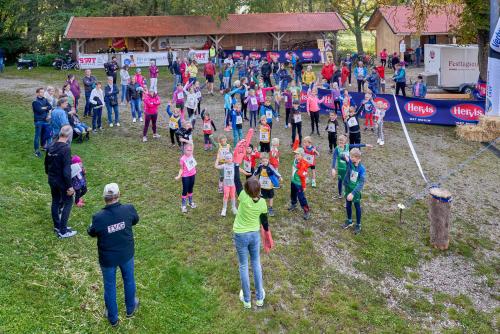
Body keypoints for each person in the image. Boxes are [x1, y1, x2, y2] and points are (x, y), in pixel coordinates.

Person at [87, 183, 140, 326]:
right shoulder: (128, 209)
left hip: (108, 259)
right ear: (119, 195)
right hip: (126, 254)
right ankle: (130, 308)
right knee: (129, 279)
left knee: (110, 286)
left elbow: (91, 232)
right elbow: (135, 220)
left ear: (105, 198)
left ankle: (113, 318)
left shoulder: (98, 218)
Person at [232, 169, 268, 309]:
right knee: (256, 263)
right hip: (254, 235)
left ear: (246, 191)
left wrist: (235, 163)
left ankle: (246, 300)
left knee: (243, 265)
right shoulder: (263, 203)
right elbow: (264, 223)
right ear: (259, 190)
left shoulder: (243, 196)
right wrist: (267, 235)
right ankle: (259, 298)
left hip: (240, 235)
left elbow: (236, 180)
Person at [44, 125, 76, 238]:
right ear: (69, 135)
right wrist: (70, 187)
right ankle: (63, 231)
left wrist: (49, 174)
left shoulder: (51, 145)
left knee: (55, 201)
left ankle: (57, 226)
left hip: (52, 179)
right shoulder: (66, 148)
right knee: (68, 202)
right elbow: (66, 171)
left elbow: (46, 164)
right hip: (61, 181)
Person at [331, 135, 371, 199]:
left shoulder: (347, 146)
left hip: (348, 168)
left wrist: (365, 145)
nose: (340, 143)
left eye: (342, 142)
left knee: (347, 182)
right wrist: (333, 168)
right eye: (339, 141)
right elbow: (334, 158)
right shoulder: (336, 149)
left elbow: (356, 145)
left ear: (345, 142)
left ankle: (347, 195)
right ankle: (340, 194)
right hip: (340, 169)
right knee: (340, 181)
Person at [341, 148, 366, 235]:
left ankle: (358, 224)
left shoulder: (362, 169)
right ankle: (349, 220)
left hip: (355, 192)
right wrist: (345, 156)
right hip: (348, 188)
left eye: (354, 157)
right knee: (348, 204)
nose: (351, 158)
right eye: (351, 156)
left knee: (357, 207)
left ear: (359, 159)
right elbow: (341, 157)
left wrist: (353, 193)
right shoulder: (350, 162)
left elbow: (361, 184)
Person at [253, 153, 281, 217]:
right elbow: (255, 172)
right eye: (263, 161)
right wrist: (253, 177)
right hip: (262, 185)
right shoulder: (260, 166)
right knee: (262, 197)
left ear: (268, 160)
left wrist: (279, 177)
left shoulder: (270, 167)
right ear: (261, 161)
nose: (264, 162)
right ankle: (262, 207)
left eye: (266, 161)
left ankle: (270, 208)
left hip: (269, 186)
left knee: (271, 197)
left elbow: (275, 172)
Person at [288, 146, 310, 220]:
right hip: (293, 181)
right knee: (293, 194)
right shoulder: (295, 160)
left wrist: (304, 186)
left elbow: (303, 177)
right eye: (295, 154)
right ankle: (293, 204)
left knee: (301, 197)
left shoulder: (303, 164)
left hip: (299, 184)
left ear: (302, 155)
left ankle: (306, 211)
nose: (296, 155)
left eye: (297, 154)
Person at [174, 144, 197, 213]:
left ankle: (190, 202)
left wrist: (186, 140)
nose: (189, 152)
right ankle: (183, 205)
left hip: (192, 175)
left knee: (191, 189)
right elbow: (181, 169)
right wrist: (178, 175)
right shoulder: (182, 159)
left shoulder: (191, 155)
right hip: (185, 176)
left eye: (190, 150)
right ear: (184, 150)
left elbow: (192, 145)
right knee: (185, 190)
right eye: (187, 150)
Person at [33, 88, 53, 157]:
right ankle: (36, 151)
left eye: (43, 92)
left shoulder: (45, 99)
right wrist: (45, 108)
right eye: (41, 92)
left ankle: (43, 146)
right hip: (38, 121)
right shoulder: (35, 101)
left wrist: (43, 108)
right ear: (37, 93)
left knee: (45, 135)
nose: (42, 93)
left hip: (45, 120)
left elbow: (50, 106)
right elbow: (39, 110)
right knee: (37, 136)